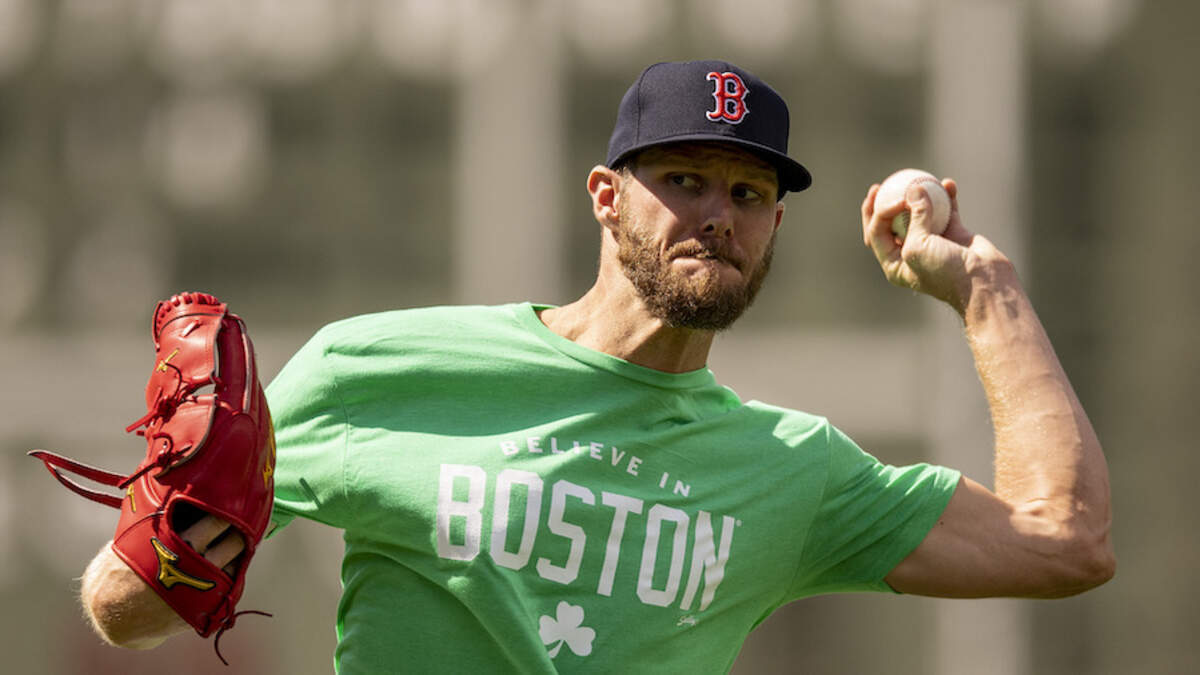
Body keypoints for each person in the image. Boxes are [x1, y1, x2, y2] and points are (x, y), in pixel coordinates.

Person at [75, 60, 1114, 672]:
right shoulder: (375, 366)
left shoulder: (797, 474)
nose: (718, 214)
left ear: (777, 226)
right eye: (685, 179)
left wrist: (989, 292)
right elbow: (121, 613)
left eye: (750, 196)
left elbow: (1065, 542)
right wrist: (193, 514)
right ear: (607, 196)